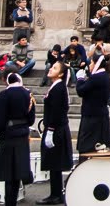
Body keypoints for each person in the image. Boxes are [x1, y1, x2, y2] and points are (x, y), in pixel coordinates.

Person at [0, 72, 35, 206]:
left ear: (5, 80)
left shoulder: (4, 95)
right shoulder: (28, 94)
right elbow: (31, 120)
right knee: (17, 175)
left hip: (8, 136)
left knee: (9, 177)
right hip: (22, 136)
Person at [35, 59, 72, 206]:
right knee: (53, 163)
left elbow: (57, 111)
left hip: (55, 129)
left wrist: (50, 130)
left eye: (55, 68)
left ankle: (56, 195)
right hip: (55, 128)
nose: (51, 69)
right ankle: (55, 193)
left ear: (61, 74)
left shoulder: (58, 88)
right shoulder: (57, 87)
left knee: (55, 163)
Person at [74, 53, 110, 152]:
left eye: (91, 63)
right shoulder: (103, 76)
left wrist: (80, 79)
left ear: (96, 64)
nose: (89, 65)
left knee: (87, 147)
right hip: (98, 115)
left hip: (93, 117)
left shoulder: (97, 77)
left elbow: (81, 91)